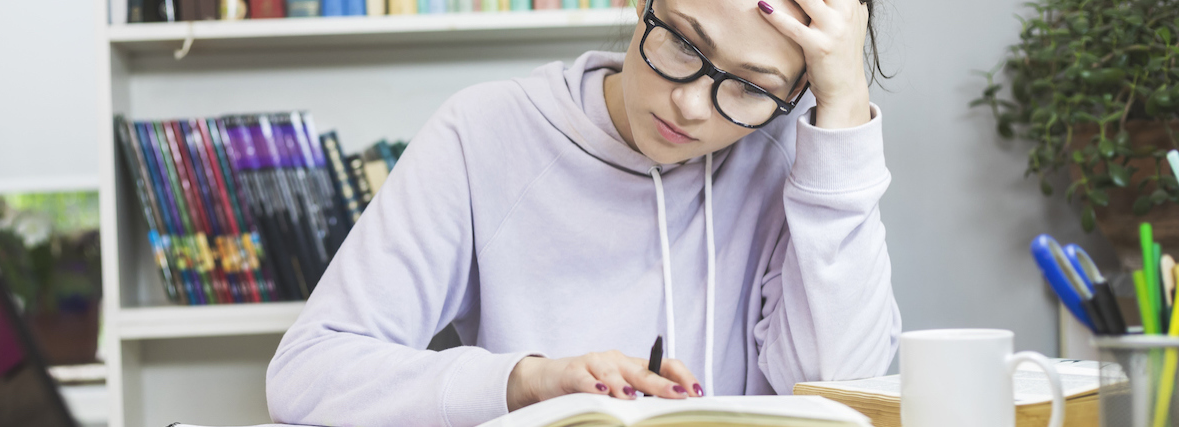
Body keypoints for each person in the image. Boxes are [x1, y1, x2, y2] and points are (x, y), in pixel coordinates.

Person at [267, 0, 900, 425]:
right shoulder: (486, 131)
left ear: (794, 94)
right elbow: (307, 375)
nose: (690, 105)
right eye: (683, 42)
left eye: (751, 87)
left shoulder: (797, 166)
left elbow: (838, 393)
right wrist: (529, 383)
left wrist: (842, 117)